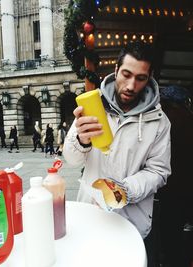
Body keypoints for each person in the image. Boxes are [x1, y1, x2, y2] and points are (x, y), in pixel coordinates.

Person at [63, 41, 171, 266]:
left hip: (132, 222)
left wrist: (124, 190)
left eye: (140, 78)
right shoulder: (93, 106)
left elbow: (159, 171)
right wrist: (82, 141)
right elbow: (71, 160)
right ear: (116, 71)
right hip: (90, 215)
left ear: (149, 78)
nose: (131, 85)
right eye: (126, 74)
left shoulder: (160, 121)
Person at [157, 86, 193, 267]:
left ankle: (172, 259)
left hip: (172, 183)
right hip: (185, 181)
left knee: (171, 227)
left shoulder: (168, 118)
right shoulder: (187, 117)